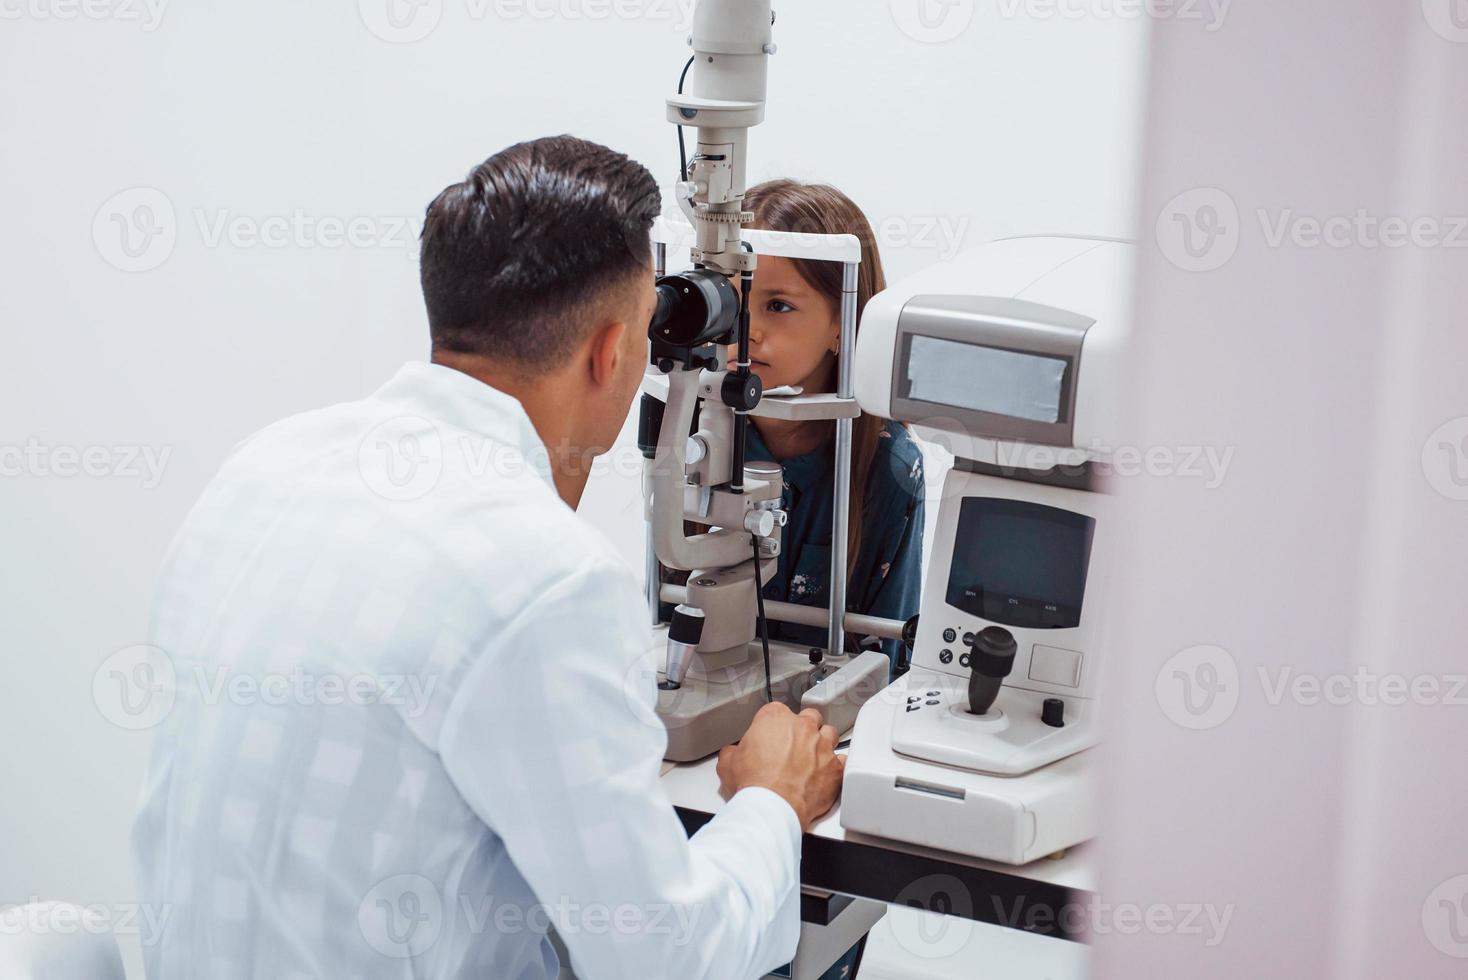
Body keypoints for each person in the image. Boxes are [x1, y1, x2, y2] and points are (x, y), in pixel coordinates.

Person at [132, 136, 843, 980]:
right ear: (614, 351)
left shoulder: (261, 467)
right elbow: (664, 958)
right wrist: (771, 799)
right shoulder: (549, 575)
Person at [732, 179, 926, 668]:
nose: (746, 329)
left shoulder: (889, 467)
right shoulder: (695, 431)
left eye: (778, 306)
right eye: (732, 299)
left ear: (843, 321)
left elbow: (888, 656)